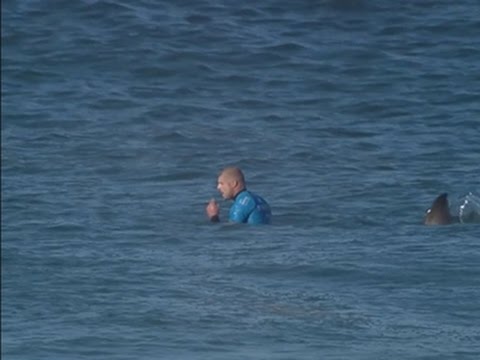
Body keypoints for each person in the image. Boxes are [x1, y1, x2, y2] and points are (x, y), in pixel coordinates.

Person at [206, 167, 271, 224]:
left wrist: (214, 216)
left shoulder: (241, 204)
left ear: (234, 184)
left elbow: (230, 233)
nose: (218, 187)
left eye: (221, 183)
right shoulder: (260, 200)